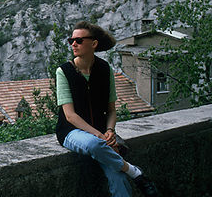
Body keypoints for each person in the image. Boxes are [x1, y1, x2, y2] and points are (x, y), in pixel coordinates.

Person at [55, 21, 159, 197]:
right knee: (95, 144)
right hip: (71, 131)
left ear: (93, 44)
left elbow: (111, 110)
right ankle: (135, 172)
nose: (73, 44)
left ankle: (125, 172)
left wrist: (110, 130)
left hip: (103, 132)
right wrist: (100, 136)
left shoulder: (104, 69)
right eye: (71, 40)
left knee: (117, 176)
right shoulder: (64, 71)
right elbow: (70, 116)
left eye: (79, 40)